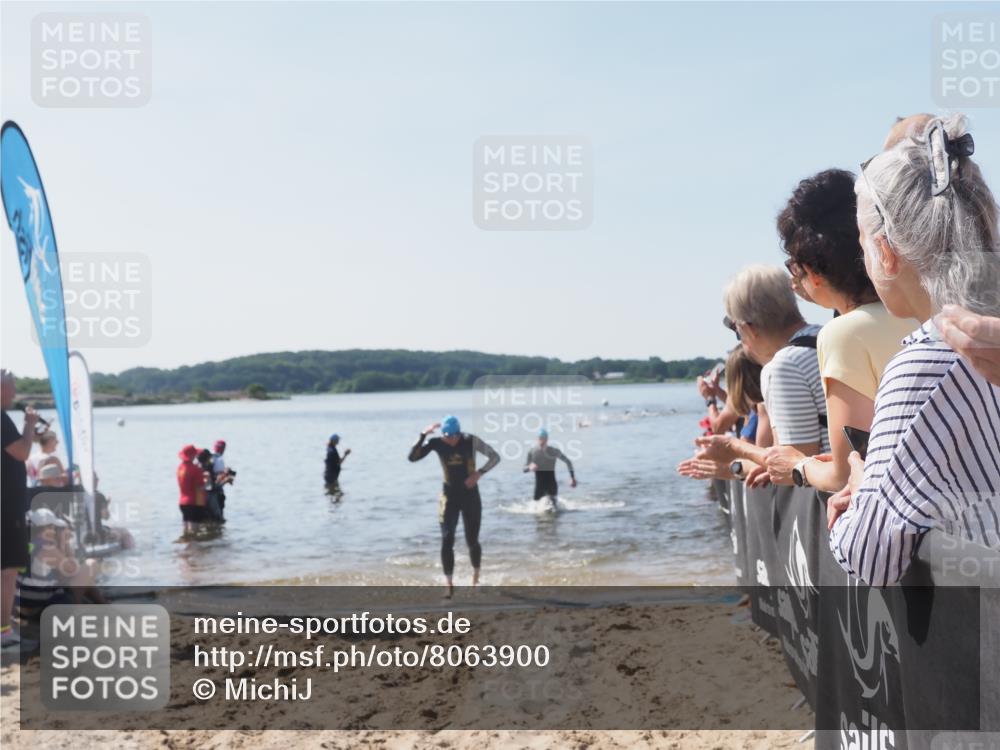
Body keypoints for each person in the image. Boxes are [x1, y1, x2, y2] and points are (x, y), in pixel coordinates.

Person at [829, 114, 1000, 586]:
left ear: (886, 250)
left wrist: (863, 482)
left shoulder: (929, 362)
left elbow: (869, 558)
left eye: (863, 243)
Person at [763, 169, 917, 491]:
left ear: (811, 271)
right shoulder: (921, 312)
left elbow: (848, 474)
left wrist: (798, 466)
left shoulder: (843, 334)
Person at [694, 266, 828, 474]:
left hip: (836, 498)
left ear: (750, 328)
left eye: (738, 333)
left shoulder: (784, 366)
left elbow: (795, 466)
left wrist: (734, 449)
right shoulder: (828, 336)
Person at [408, 415, 500, 598]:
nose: (451, 440)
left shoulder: (470, 441)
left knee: (471, 540)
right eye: (447, 436)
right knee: (447, 538)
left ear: (459, 432)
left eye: (454, 436)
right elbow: (412, 457)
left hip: (470, 496)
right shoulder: (437, 443)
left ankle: (476, 577)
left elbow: (495, 457)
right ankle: (449, 583)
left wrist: (479, 474)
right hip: (449, 496)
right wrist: (422, 435)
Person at [2, 369, 38, 651]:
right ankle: (4, 630)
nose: (14, 394)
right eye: (11, 388)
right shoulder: (2, 419)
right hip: (6, 507)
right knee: (8, 569)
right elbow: (22, 452)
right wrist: (29, 424)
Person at [523, 429, 577, 506]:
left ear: (547, 439)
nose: (542, 440)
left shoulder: (553, 451)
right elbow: (524, 469)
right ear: (537, 439)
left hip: (551, 485)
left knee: (552, 509)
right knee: (536, 511)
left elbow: (568, 462)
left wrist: (572, 477)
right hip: (539, 486)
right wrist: (529, 468)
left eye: (544, 438)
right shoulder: (532, 452)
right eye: (540, 438)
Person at [176, 444, 208, 535]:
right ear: (192, 456)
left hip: (182, 502)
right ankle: (194, 549)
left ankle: (185, 548)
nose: (196, 456)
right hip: (194, 503)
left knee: (186, 531)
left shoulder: (180, 468)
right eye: (195, 455)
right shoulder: (195, 469)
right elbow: (201, 486)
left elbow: (188, 481)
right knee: (195, 532)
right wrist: (206, 479)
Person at [210, 440, 235, 516]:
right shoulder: (219, 459)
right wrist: (227, 476)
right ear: (223, 449)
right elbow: (219, 477)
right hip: (216, 492)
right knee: (218, 517)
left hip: (206, 491)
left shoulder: (209, 457)